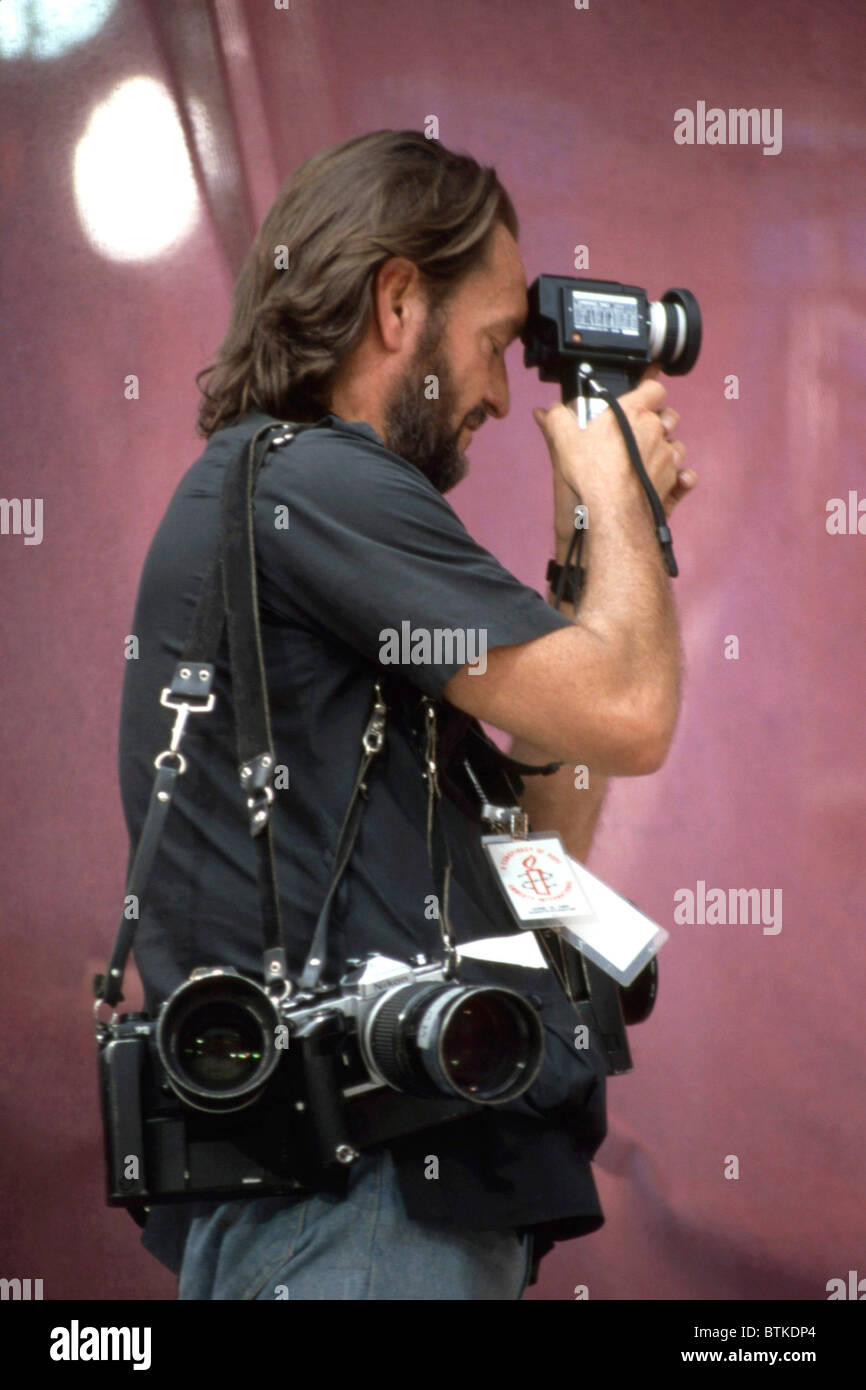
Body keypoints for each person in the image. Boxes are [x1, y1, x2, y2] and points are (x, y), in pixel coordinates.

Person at [117, 128, 695, 1300]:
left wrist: (590, 539)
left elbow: (543, 848)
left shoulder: (315, 517)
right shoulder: (310, 482)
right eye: (490, 343)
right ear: (395, 305)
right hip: (354, 1210)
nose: (496, 390)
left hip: (389, 1200)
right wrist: (616, 489)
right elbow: (633, 712)